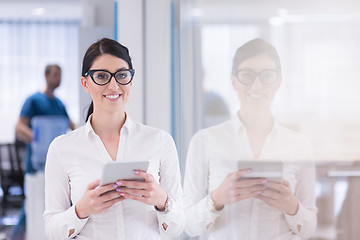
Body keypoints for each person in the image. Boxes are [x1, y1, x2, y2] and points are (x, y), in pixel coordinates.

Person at [43, 38, 185, 239]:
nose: (113, 85)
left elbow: (177, 228)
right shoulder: (62, 148)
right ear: (85, 83)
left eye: (121, 75)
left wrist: (163, 201)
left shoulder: (160, 141)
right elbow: (52, 231)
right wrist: (80, 211)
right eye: (101, 76)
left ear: (131, 81)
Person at [184, 38, 317, 239]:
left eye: (267, 75)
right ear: (234, 81)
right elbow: (189, 227)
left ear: (278, 82)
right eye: (247, 75)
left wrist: (291, 205)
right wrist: (217, 199)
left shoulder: (299, 145)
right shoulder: (204, 141)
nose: (257, 85)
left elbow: (309, 228)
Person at [11, 64, 75, 240]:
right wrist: (37, 138)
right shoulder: (34, 101)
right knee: (32, 206)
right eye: (55, 75)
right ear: (46, 76)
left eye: (60, 75)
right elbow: (19, 127)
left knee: (49, 207)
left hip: (56, 165)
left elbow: (73, 127)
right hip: (37, 164)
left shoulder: (59, 104)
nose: (58, 79)